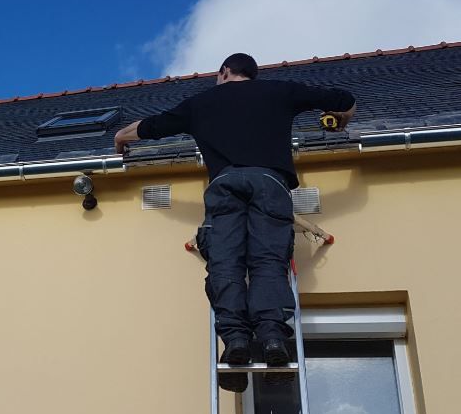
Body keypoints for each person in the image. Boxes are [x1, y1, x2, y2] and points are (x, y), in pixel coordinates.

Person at [113, 53, 356, 392]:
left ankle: (236, 341)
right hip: (271, 185)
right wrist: (340, 118)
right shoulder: (281, 92)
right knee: (268, 263)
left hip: (225, 185)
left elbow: (152, 127)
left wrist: (120, 138)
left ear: (225, 72)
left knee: (226, 263)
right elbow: (344, 100)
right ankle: (272, 339)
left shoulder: (201, 103)